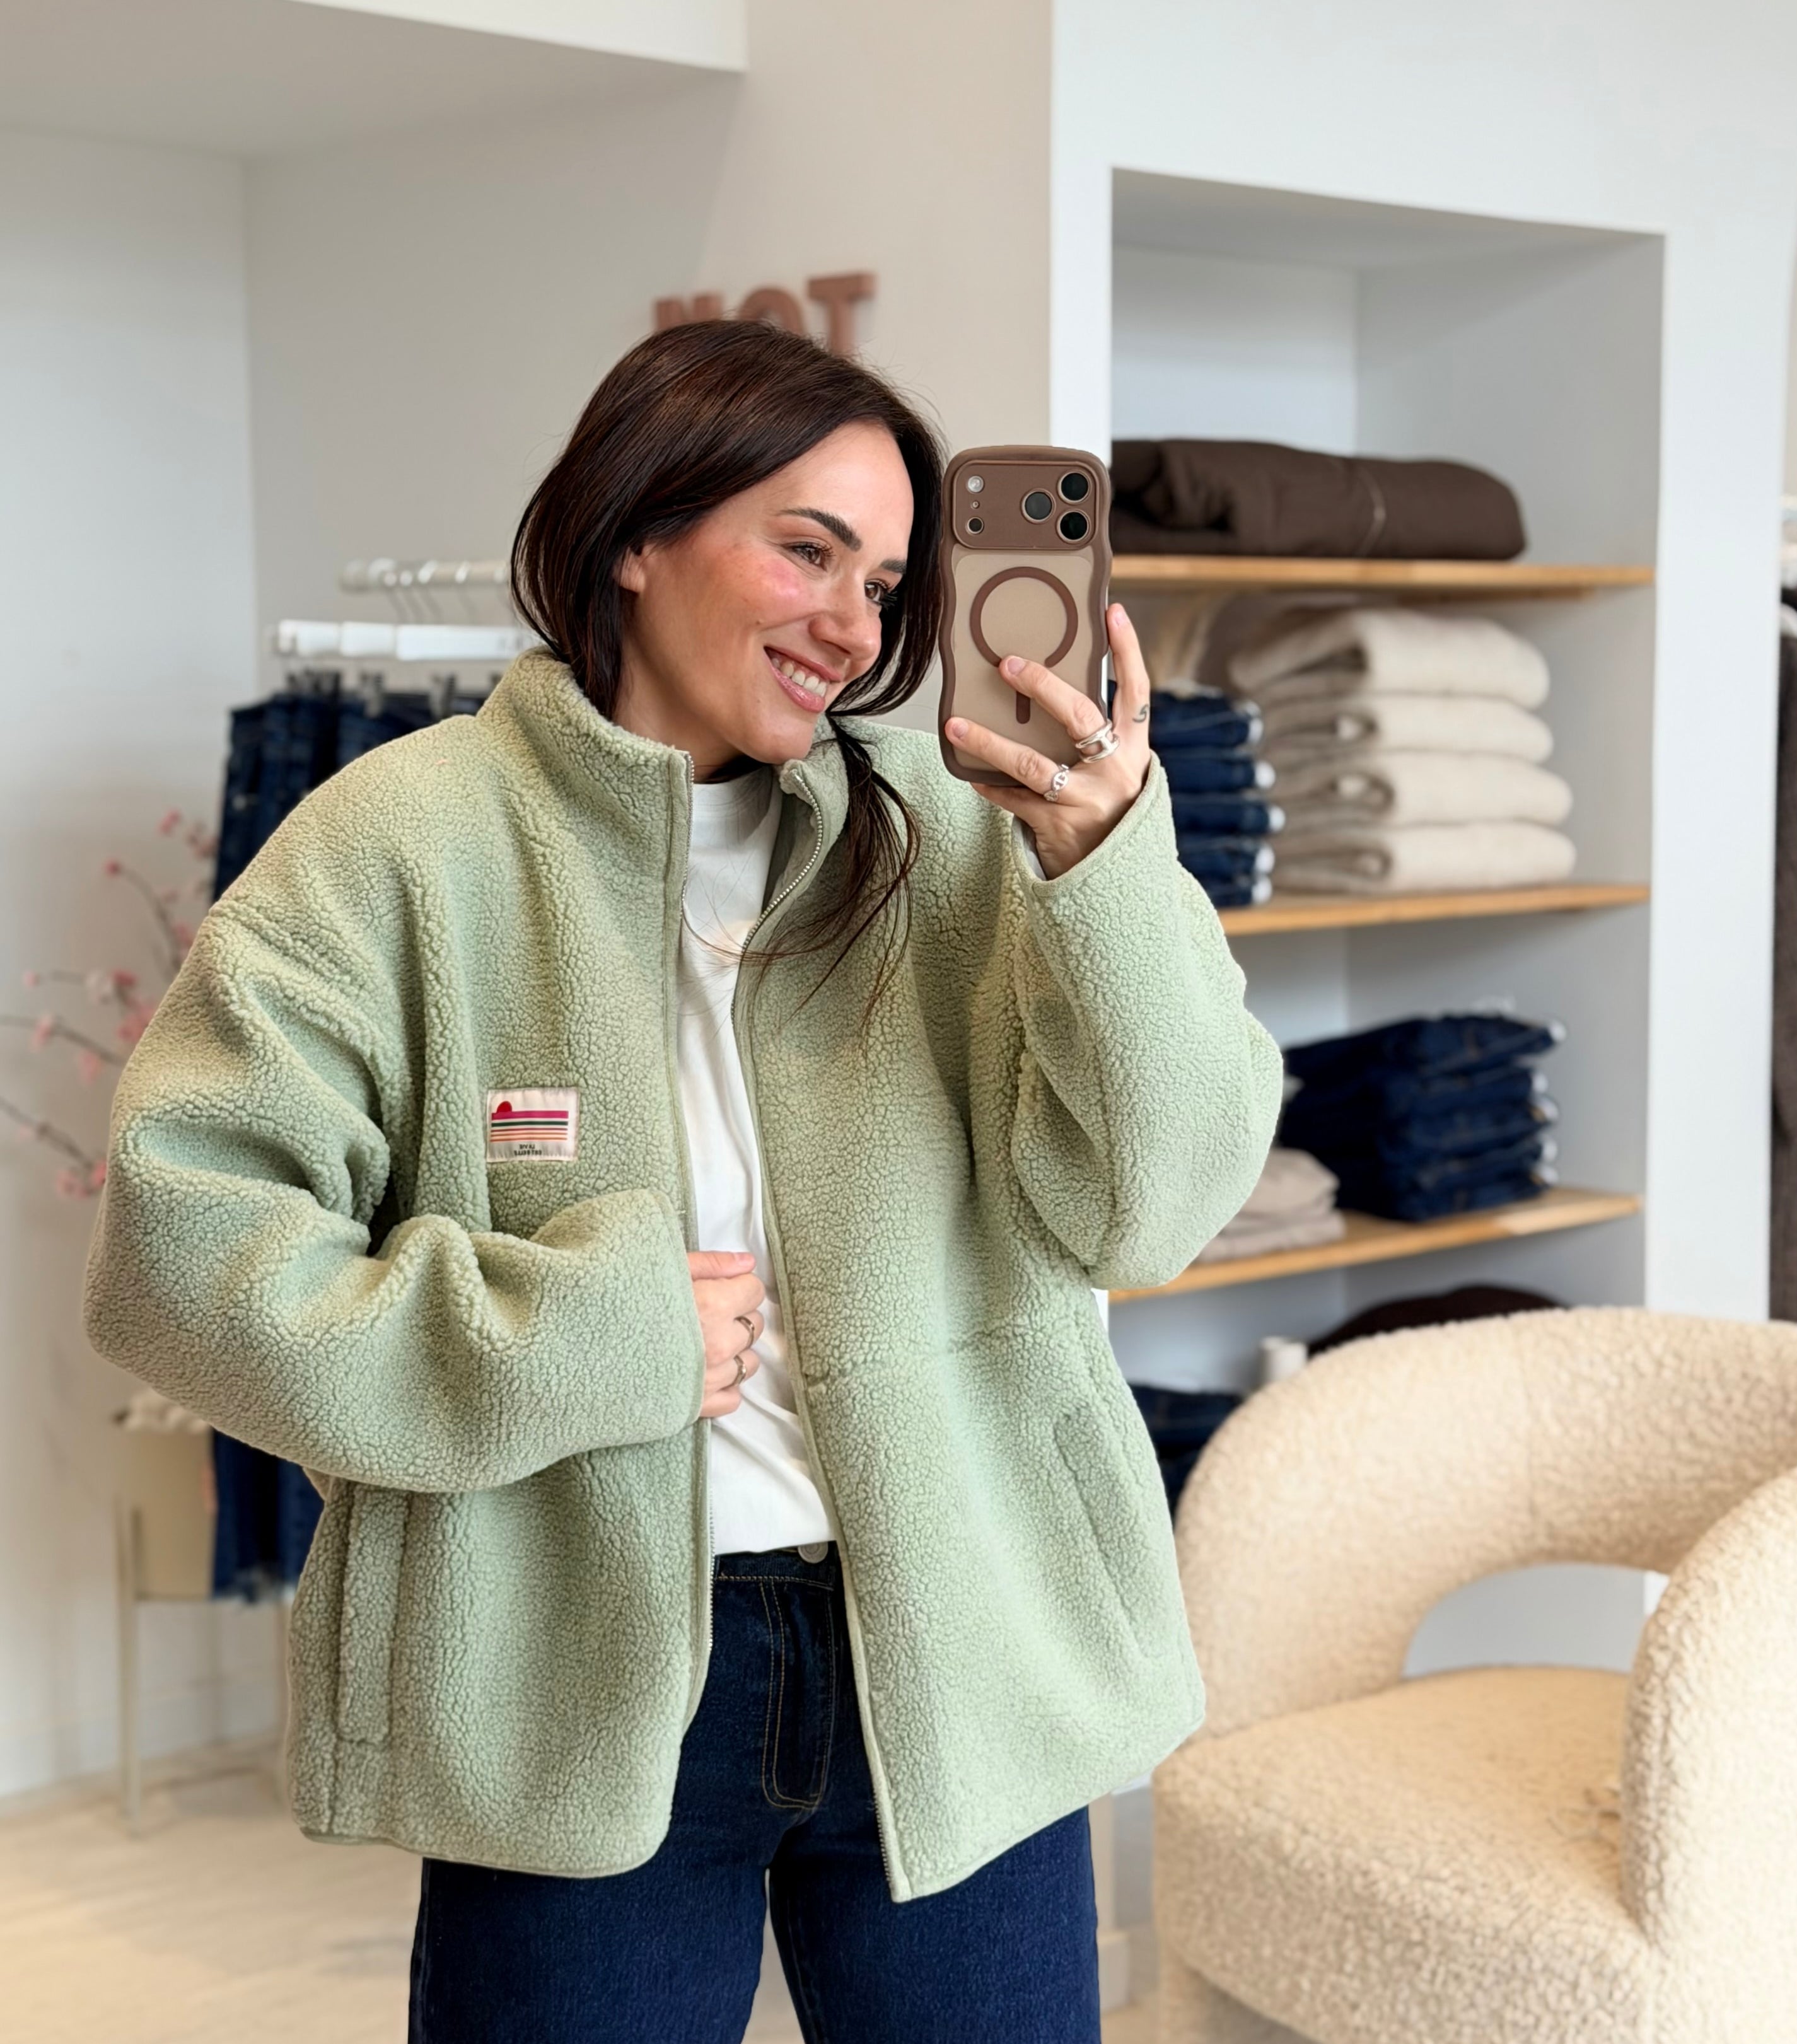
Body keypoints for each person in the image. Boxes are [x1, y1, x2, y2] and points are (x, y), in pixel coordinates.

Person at [83, 320, 1282, 2043]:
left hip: (959, 1645)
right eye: (806, 550)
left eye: (885, 582)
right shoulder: (395, 845)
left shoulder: (967, 828)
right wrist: (587, 1334)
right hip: (570, 1678)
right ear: (638, 532)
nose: (852, 623)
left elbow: (1155, 1209)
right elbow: (181, 1257)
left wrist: (1106, 865)